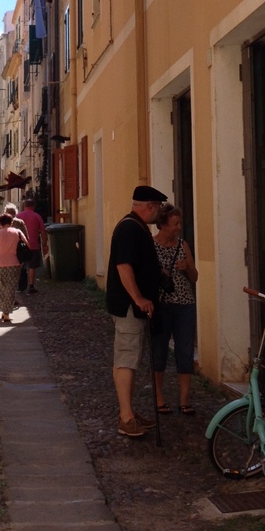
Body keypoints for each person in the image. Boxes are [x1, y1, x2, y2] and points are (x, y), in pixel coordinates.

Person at [106, 185, 167, 438]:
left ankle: (128, 410)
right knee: (126, 358)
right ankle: (126, 417)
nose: (159, 213)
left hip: (134, 307)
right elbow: (124, 266)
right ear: (150, 206)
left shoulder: (135, 227)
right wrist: (139, 297)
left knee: (131, 358)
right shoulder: (130, 228)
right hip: (130, 307)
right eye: (159, 208)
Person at [152, 203, 199, 415]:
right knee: (159, 350)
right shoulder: (151, 246)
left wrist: (187, 267)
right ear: (162, 225)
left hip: (184, 305)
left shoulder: (183, 246)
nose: (179, 227)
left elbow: (194, 277)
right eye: (174, 224)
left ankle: (184, 399)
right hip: (161, 306)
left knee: (185, 351)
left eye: (179, 223)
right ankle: (159, 397)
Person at [0, 213, 29, 323]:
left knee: (0, 288)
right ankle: (6, 312)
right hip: (14, 264)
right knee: (11, 289)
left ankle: (5, 311)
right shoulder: (17, 232)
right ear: (11, 223)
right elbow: (27, 245)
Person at [16, 196, 48, 294]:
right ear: (33, 206)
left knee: (19, 265)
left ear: (24, 206)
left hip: (19, 245)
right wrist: (44, 244)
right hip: (33, 244)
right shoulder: (37, 216)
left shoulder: (18, 216)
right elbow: (42, 232)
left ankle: (19, 284)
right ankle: (31, 286)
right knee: (32, 266)